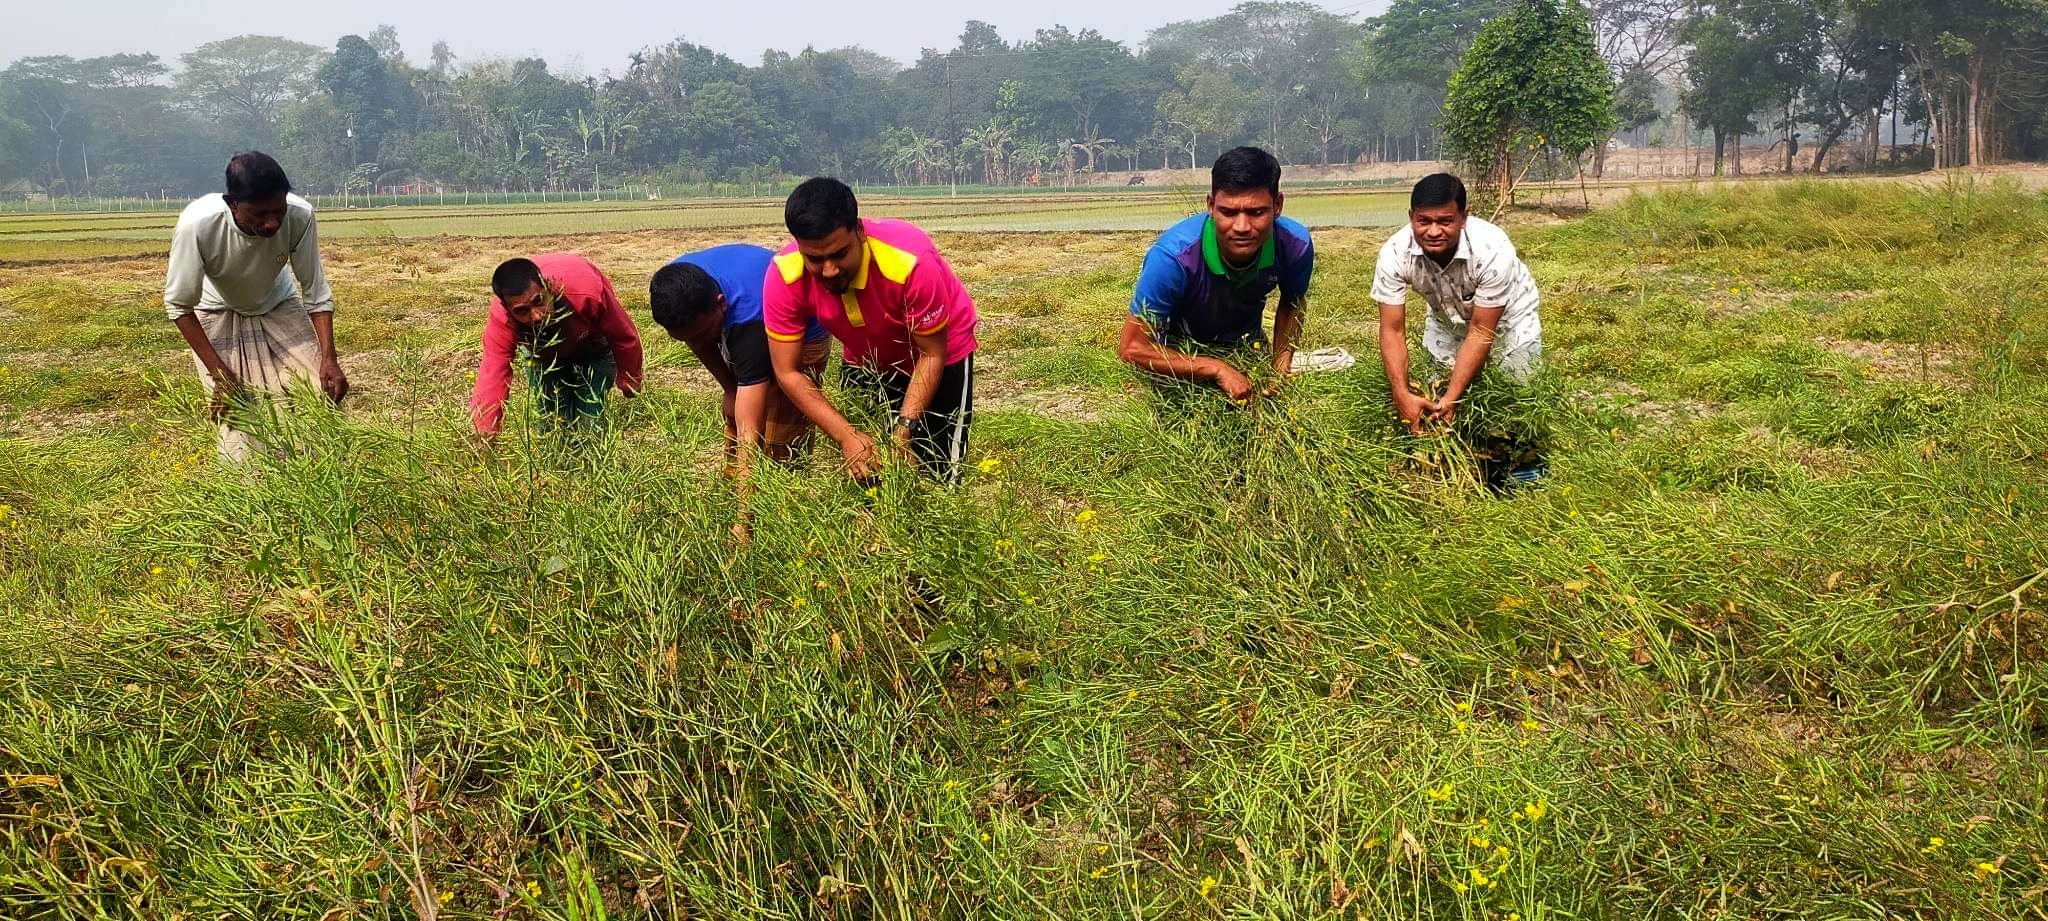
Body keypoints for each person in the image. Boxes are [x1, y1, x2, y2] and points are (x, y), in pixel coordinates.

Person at [763, 178, 980, 484]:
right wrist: (846, 436)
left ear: (860, 232)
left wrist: (904, 428)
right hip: (865, 356)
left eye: (839, 254)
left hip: (939, 352)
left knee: (936, 474)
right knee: (866, 470)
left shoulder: (910, 262)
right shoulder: (784, 276)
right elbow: (787, 372)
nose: (829, 270)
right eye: (815, 258)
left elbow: (931, 353)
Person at [163, 151, 348, 464]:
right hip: (216, 311)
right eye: (259, 214)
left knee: (320, 393)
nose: (271, 223)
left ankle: (320, 478)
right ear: (233, 204)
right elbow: (179, 305)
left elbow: (315, 291)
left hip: (278, 303)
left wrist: (329, 357)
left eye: (278, 210)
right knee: (239, 415)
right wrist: (219, 373)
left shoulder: (300, 216)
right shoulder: (198, 225)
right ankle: (256, 495)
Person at [1373, 172, 1547, 487]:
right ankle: (1466, 464)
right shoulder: (1394, 254)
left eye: (1445, 221)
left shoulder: (1491, 249)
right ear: (1411, 217)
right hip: (1446, 319)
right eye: (1423, 221)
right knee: (1437, 393)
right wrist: (1402, 393)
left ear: (1464, 217)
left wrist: (1454, 397)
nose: (1433, 231)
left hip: (1509, 320)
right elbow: (1392, 331)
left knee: (1516, 392)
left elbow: (1482, 331)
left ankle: (1525, 469)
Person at [649, 244, 829, 540]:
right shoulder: (676, 289)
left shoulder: (749, 319)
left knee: (781, 435)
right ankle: (742, 497)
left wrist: (742, 524)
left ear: (721, 304)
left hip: (800, 334)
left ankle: (779, 521)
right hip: (739, 318)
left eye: (703, 333)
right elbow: (698, 341)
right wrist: (729, 389)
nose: (697, 341)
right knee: (738, 411)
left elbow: (750, 431)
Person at [1119, 146, 1313, 404]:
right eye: (1229, 212)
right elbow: (1132, 348)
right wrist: (1215, 369)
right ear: (1210, 205)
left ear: (1277, 206)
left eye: (1256, 212)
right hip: (1180, 357)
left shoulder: (1295, 246)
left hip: (1246, 348)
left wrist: (1279, 364)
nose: (1242, 227)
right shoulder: (1171, 259)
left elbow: (1292, 301)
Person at [470, 253, 643, 440]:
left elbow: (622, 334)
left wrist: (629, 379)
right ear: (507, 309)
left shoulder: (586, 292)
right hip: (544, 356)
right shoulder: (502, 319)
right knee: (552, 422)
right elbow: (493, 372)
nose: (536, 316)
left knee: (589, 420)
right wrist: (486, 434)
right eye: (522, 311)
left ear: (547, 287)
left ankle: (588, 460)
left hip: (593, 345)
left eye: (539, 301)